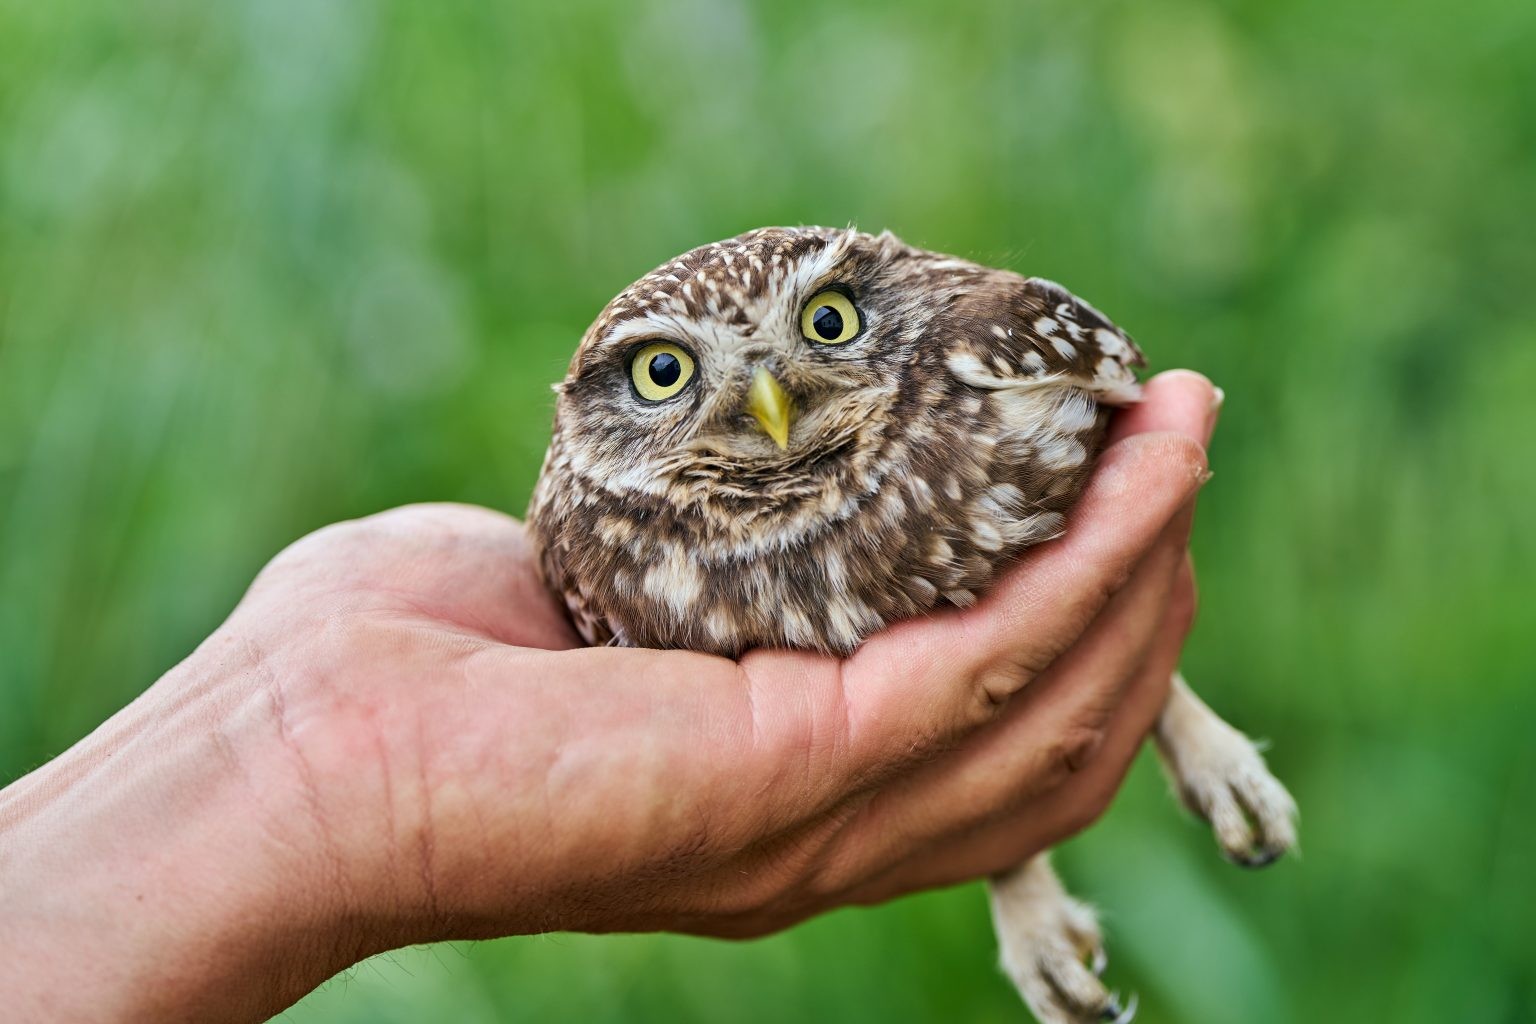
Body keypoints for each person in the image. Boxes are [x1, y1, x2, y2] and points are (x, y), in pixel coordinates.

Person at [0, 372, 1218, 1023]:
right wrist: (316, 756)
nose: (770, 402)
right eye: (669, 374)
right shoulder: (601, 539)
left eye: (827, 327)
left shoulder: (961, 370)